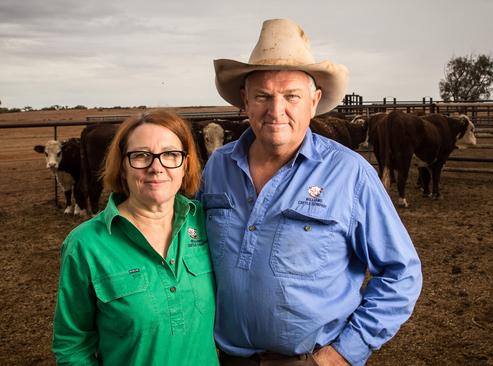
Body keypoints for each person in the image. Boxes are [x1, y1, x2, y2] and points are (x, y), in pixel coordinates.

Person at [200, 19, 423, 366]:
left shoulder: (350, 174)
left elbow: (401, 273)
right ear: (245, 100)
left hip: (308, 361)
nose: (276, 111)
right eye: (263, 96)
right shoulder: (217, 168)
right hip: (226, 358)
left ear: (314, 101)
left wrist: (344, 353)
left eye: (292, 96)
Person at [52, 110, 219, 366]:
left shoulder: (207, 225)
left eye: (170, 155)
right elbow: (73, 345)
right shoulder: (85, 244)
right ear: (122, 166)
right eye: (141, 156)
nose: (156, 167)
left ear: (185, 164)